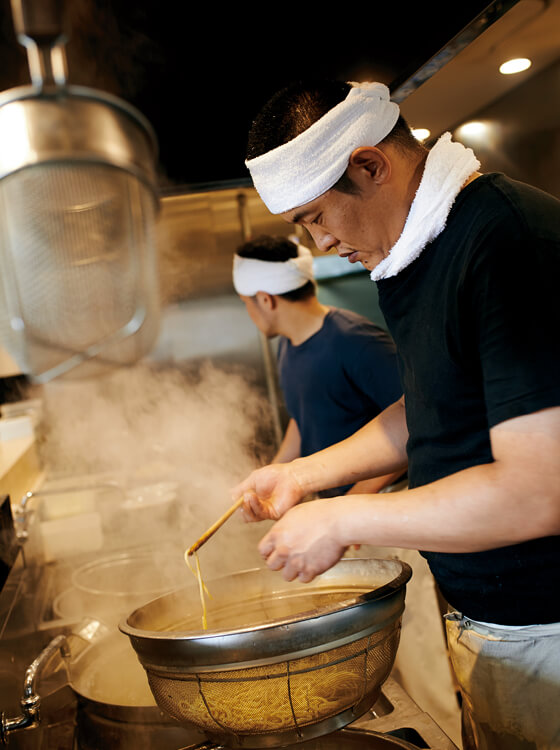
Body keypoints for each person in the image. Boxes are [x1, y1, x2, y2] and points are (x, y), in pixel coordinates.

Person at [232, 80, 560, 750]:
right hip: (494, 612)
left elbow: (539, 492)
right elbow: (431, 405)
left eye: (317, 217)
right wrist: (302, 476)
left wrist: (342, 514)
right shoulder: (417, 257)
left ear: (370, 165)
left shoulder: (503, 243)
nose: (321, 245)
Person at [233, 234, 404, 495]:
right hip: (337, 510)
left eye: (246, 303)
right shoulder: (289, 343)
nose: (248, 312)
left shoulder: (356, 341)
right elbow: (305, 417)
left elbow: (417, 422)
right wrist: (271, 475)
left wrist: (350, 504)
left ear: (266, 300)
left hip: (383, 503)